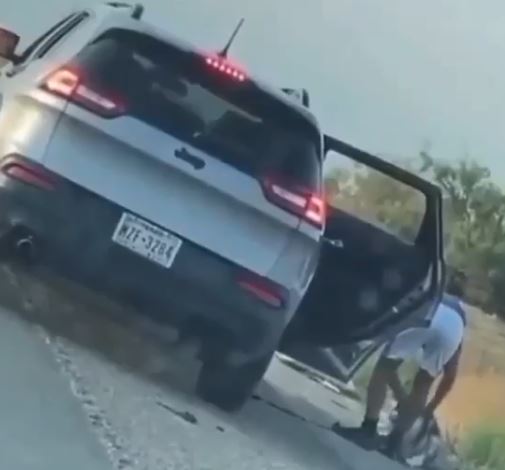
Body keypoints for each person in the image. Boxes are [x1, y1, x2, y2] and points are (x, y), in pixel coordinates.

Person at [332, 270, 468, 456]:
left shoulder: (432, 292)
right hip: (452, 330)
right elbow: (450, 375)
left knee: (384, 366)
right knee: (424, 383)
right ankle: (393, 445)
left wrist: (400, 395)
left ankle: (368, 429)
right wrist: (429, 409)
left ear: (444, 285)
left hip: (431, 311)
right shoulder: (461, 316)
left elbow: (388, 364)